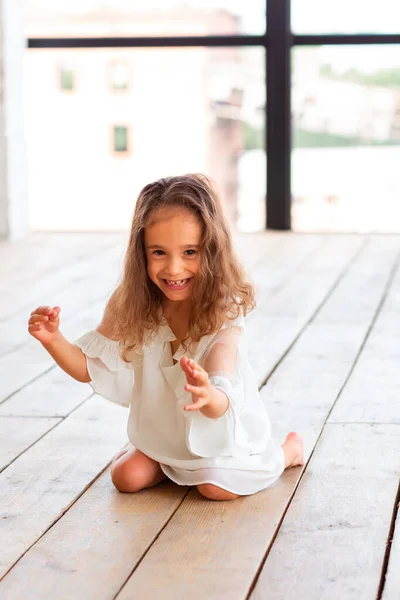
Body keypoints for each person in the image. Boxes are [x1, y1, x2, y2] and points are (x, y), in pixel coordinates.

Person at [28, 173, 304, 502]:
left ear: (212, 251)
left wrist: (208, 394)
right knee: (125, 478)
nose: (174, 269)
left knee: (214, 488)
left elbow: (222, 379)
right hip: (164, 432)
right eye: (159, 252)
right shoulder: (131, 301)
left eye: (190, 252)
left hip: (218, 425)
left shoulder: (222, 306)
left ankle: (285, 453)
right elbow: (90, 368)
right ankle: (163, 458)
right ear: (141, 253)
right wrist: (53, 339)